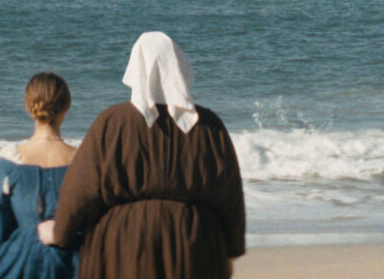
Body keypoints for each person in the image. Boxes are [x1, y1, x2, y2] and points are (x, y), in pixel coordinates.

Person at [39, 32, 245, 279]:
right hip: (193, 244)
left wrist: (61, 233)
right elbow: (230, 196)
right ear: (180, 68)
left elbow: (81, 188)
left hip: (125, 245)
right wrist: (231, 250)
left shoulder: (112, 122)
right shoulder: (208, 125)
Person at [0, 73, 78, 279]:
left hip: (22, 262)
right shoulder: (81, 160)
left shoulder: (12, 160)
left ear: (28, 106)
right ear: (66, 107)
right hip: (71, 261)